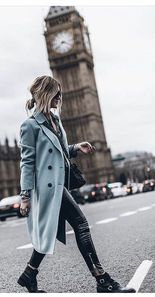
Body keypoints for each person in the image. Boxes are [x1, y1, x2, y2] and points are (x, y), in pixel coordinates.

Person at [17, 75, 135, 293]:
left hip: (59, 185)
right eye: (56, 94)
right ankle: (102, 280)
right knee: (81, 225)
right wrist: (25, 196)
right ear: (45, 94)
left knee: (50, 231)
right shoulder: (30, 126)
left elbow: (58, 151)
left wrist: (75, 148)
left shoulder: (55, 120)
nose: (60, 98)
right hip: (46, 188)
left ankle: (29, 274)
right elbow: (27, 162)